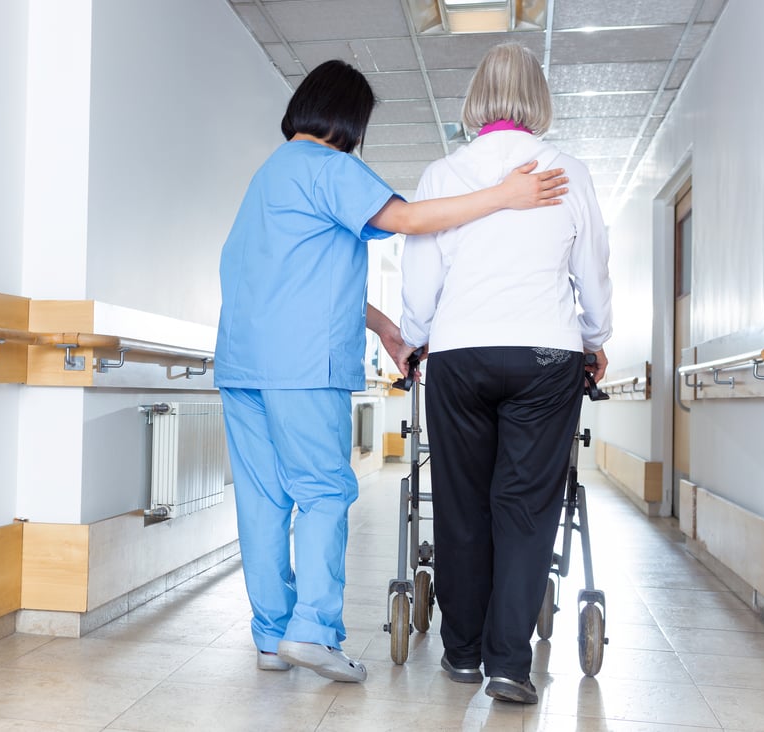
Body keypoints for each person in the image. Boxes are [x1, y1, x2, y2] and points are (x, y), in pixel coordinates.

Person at [214, 58, 569, 684]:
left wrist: (383, 327)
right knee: (324, 492)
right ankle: (313, 633)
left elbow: (292, 280)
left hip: (243, 363)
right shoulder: (330, 167)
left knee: (263, 500)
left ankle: (271, 635)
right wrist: (506, 196)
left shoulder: (267, 178)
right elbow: (407, 219)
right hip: (302, 367)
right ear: (351, 119)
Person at [399, 43, 612, 703]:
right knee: (524, 508)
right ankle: (509, 665)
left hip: (459, 355)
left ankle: (461, 654)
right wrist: (596, 339)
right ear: (539, 100)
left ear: (474, 101)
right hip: (547, 355)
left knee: (462, 505)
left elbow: (419, 281)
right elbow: (593, 273)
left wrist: (413, 342)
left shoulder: (442, 173)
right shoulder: (570, 171)